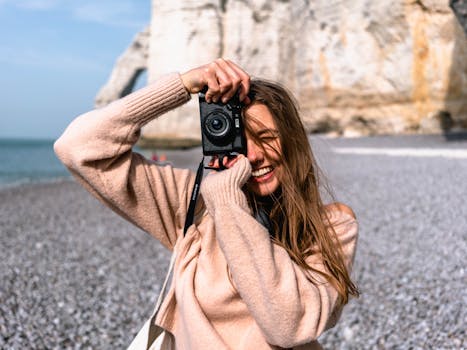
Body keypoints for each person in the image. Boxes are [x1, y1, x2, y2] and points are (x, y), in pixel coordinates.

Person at [54, 58, 359, 349]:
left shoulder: (332, 227)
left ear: (291, 140)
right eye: (240, 139)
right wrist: (184, 84)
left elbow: (288, 326)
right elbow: (77, 146)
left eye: (266, 137)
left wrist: (227, 201)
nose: (253, 156)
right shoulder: (196, 204)